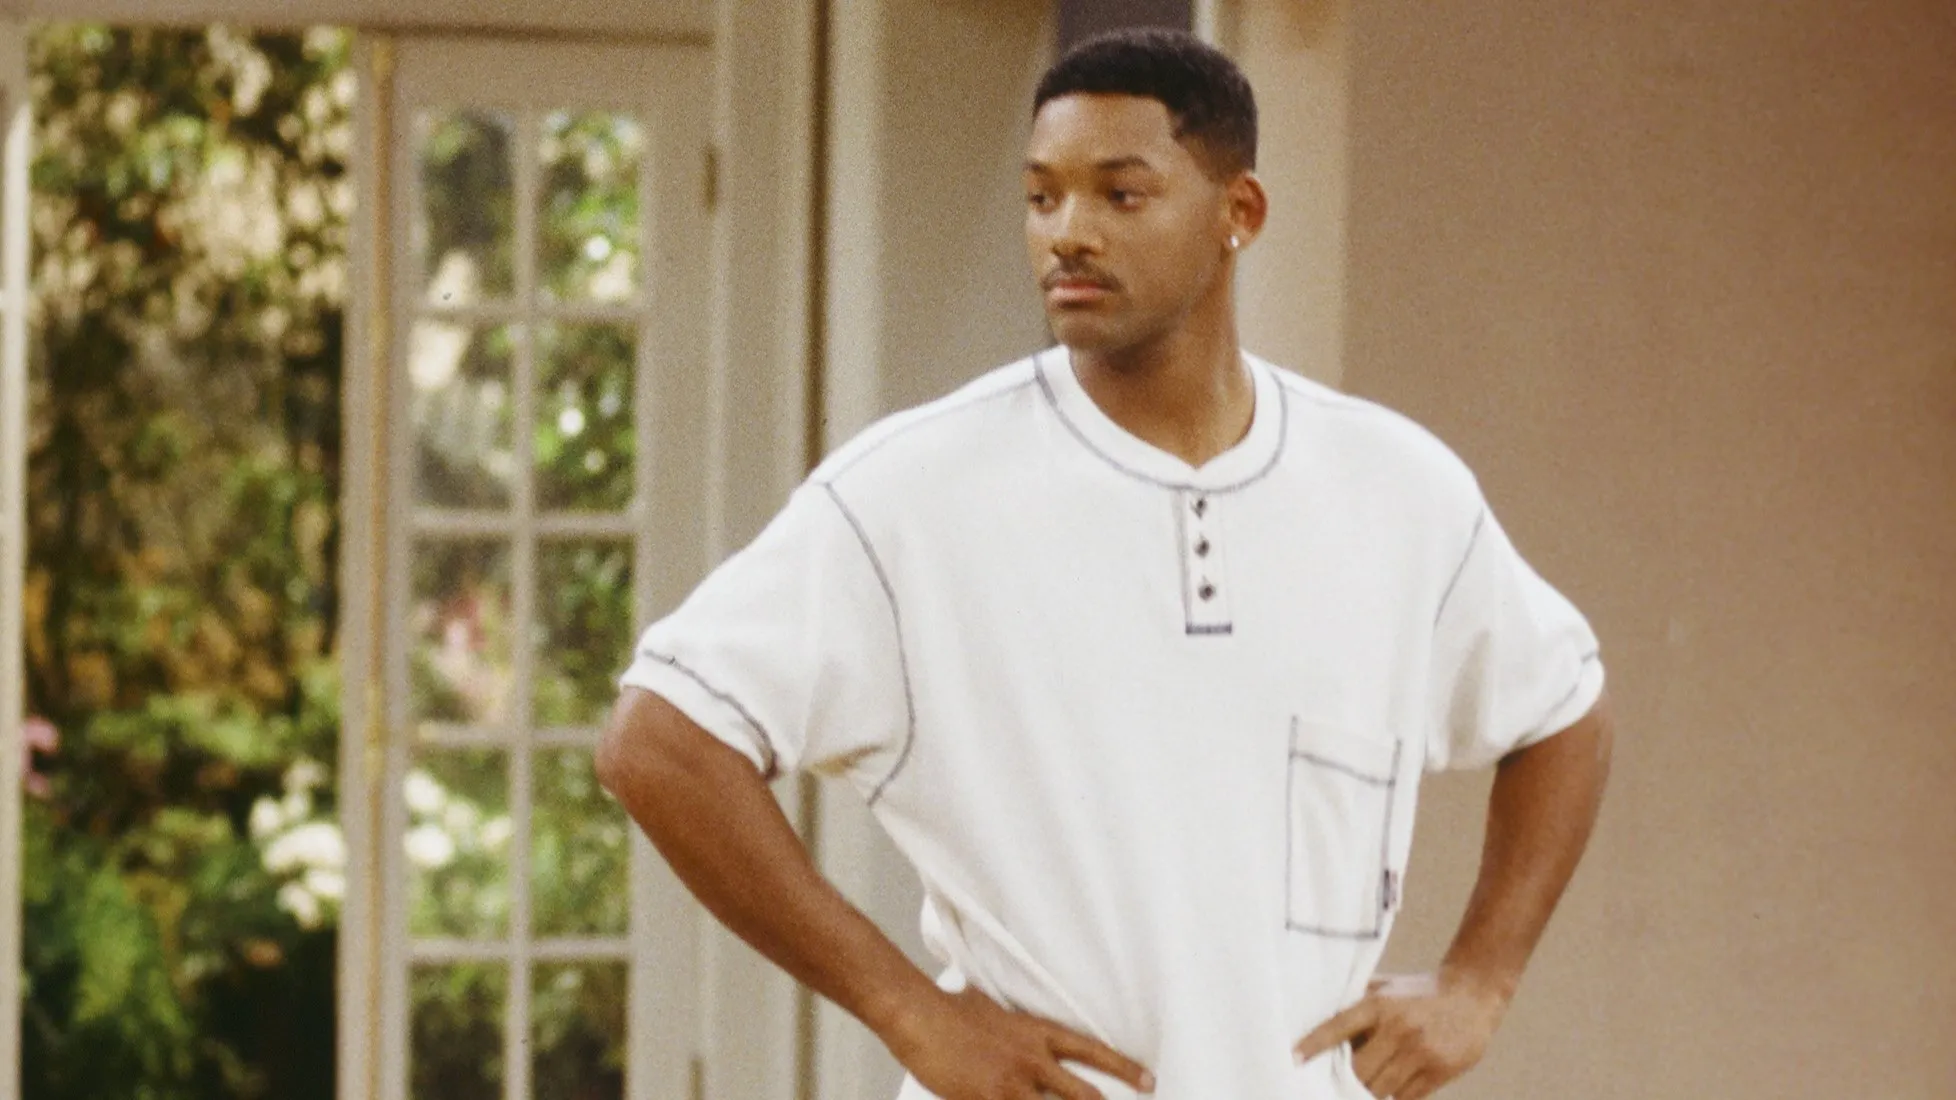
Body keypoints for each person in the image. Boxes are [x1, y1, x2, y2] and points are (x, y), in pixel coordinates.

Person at [596, 27, 1613, 1100]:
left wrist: (1480, 979)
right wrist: (909, 1010)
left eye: (1120, 195)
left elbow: (1564, 711)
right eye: (1042, 198)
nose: (1067, 233)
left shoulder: (1396, 490)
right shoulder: (914, 494)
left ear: (1239, 213)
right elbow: (660, 741)